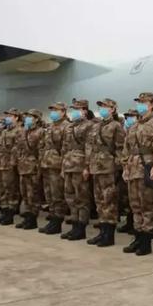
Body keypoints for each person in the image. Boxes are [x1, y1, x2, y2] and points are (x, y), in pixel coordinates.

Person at [121, 92, 153, 255]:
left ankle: (146, 242)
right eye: (138, 102)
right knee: (135, 206)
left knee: (147, 206)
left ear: (151, 104)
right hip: (133, 169)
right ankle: (138, 237)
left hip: (147, 168)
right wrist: (125, 166)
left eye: (143, 102)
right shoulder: (134, 126)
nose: (140, 105)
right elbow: (126, 148)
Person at [86, 99, 125, 247]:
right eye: (101, 106)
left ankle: (109, 235)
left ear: (113, 109)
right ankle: (102, 232)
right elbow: (91, 146)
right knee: (99, 201)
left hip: (109, 168)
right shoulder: (97, 125)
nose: (102, 108)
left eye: (105, 106)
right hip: (97, 167)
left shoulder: (116, 126)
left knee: (109, 201)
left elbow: (120, 148)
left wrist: (118, 167)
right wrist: (89, 164)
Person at [60, 99, 94, 241]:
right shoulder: (69, 126)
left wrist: (87, 167)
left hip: (80, 166)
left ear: (84, 111)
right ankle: (74, 225)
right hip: (68, 165)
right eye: (73, 109)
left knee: (81, 197)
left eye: (77, 109)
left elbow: (89, 147)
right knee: (70, 197)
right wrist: (63, 166)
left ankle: (81, 228)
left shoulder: (89, 126)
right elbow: (65, 148)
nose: (74, 111)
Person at [39, 102, 69, 235]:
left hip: (57, 165)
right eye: (52, 110)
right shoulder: (50, 126)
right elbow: (44, 146)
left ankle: (57, 222)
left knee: (57, 195)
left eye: (56, 110)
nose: (53, 113)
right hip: (47, 164)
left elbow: (66, 148)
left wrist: (63, 165)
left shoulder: (66, 126)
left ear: (63, 112)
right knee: (49, 194)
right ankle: (52, 219)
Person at [15, 109, 45, 230]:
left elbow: (41, 151)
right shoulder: (24, 131)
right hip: (23, 166)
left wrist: (39, 167)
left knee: (33, 194)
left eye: (31, 116)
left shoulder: (40, 132)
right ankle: (27, 217)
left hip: (33, 167)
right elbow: (19, 149)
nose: (27, 118)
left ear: (36, 119)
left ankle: (32, 219)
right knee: (25, 194)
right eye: (27, 116)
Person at [0, 109, 22, 225]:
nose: (7, 117)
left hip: (9, 165)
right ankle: (4, 211)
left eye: (10, 115)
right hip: (0, 164)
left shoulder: (19, 131)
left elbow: (18, 149)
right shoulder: (4, 131)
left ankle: (10, 214)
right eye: (7, 115)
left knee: (10, 190)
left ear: (16, 117)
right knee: (1, 189)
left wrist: (13, 164)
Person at [117, 109, 138, 234]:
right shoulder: (128, 130)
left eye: (132, 116)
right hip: (129, 166)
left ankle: (138, 226)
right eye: (127, 116)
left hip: (139, 167)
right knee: (129, 197)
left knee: (139, 199)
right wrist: (124, 165)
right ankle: (130, 223)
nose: (129, 118)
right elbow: (125, 150)